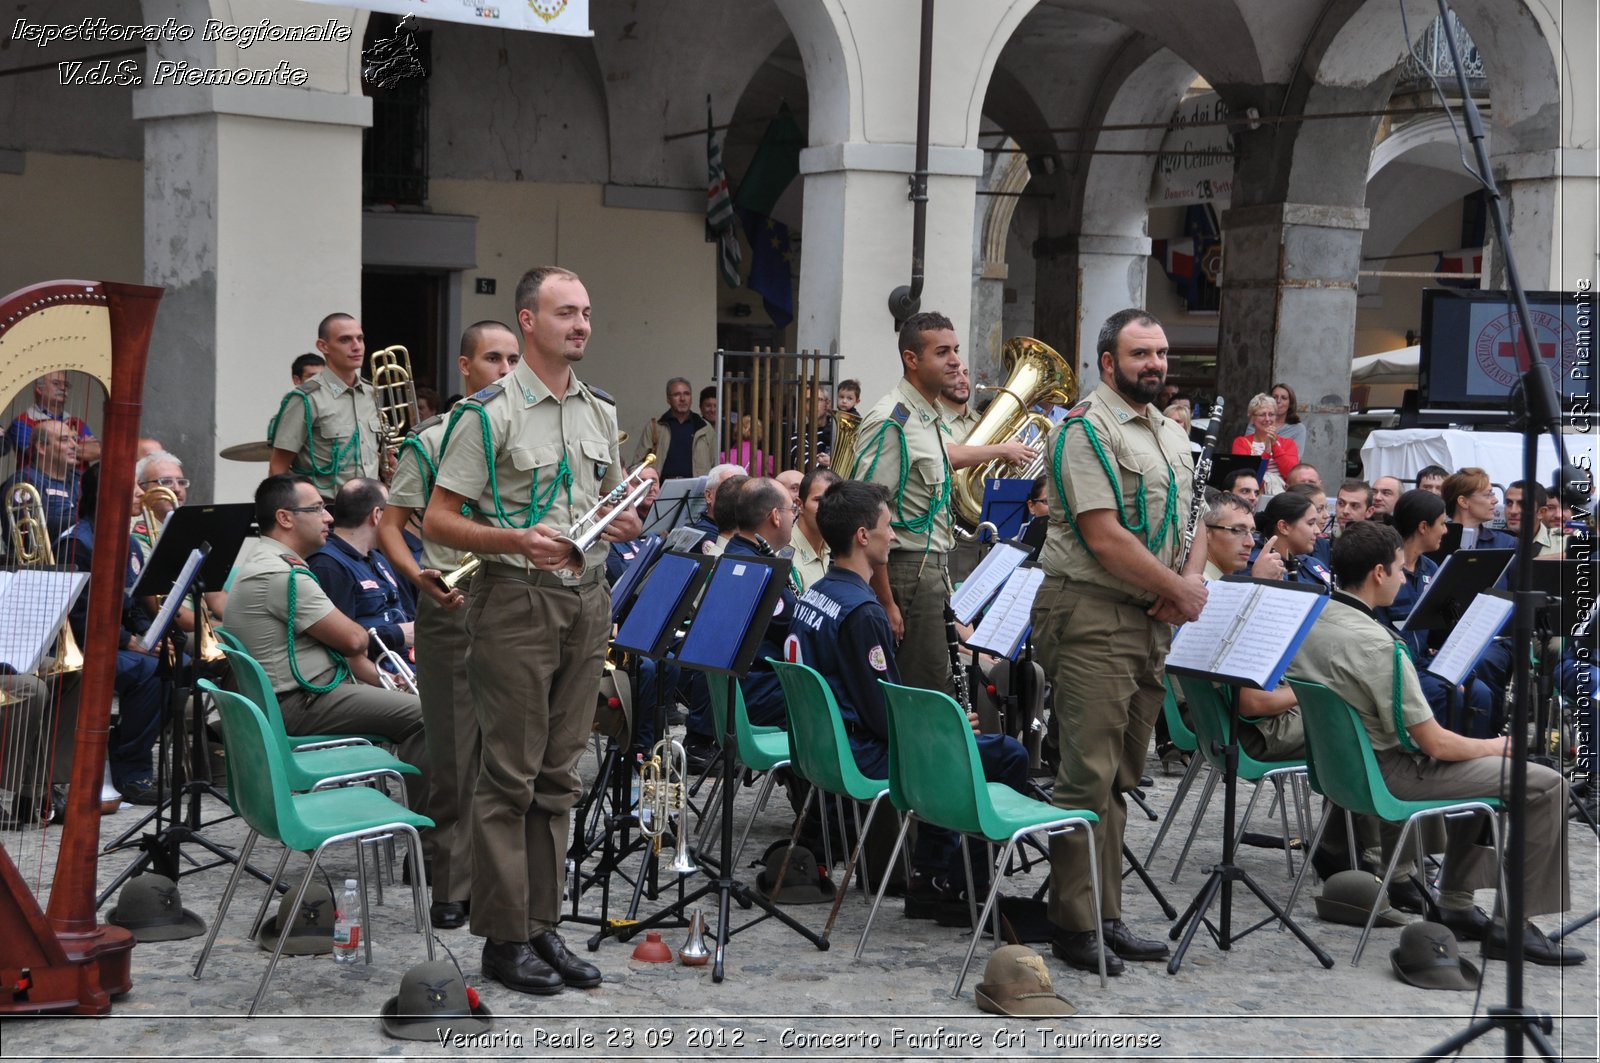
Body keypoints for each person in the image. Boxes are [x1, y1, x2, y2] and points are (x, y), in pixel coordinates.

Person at [424, 265, 639, 996]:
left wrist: (624, 514)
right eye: (565, 313)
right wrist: (515, 540)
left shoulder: (599, 410)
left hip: (587, 597)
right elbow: (439, 520)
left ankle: (542, 925)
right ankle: (503, 936)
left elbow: (605, 500)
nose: (581, 324)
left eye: (585, 311)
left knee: (559, 774)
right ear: (526, 321)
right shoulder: (487, 414)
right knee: (508, 776)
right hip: (516, 599)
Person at [1286, 521, 1583, 966]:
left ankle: (1458, 905)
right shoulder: (1379, 644)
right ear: (1378, 574)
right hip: (1391, 775)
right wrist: (1500, 747)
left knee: (1484, 771)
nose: (1407, 578)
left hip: (1346, 773)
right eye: (1402, 570)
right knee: (1545, 783)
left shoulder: (1313, 622)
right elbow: (1436, 745)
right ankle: (1512, 926)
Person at [1030, 307, 1206, 976]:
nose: (1155, 364)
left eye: (1160, 352)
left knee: (1125, 772)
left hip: (1149, 614)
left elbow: (1193, 520)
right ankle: (1073, 924)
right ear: (1109, 362)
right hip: (1093, 613)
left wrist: (1182, 583)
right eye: (1140, 354)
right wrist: (1178, 588)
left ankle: (1106, 912)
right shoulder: (1086, 430)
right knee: (1088, 773)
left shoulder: (1169, 432)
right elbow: (1103, 536)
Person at [788, 480, 1030, 922]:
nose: (895, 535)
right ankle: (952, 885)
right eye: (887, 526)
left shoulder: (818, 592)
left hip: (823, 748)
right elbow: (886, 717)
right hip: (860, 753)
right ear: (863, 536)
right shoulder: (863, 612)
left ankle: (932, 871)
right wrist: (948, 728)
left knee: (958, 748)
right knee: (1007, 753)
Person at [376, 319, 521, 931]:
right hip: (454, 604)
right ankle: (450, 880)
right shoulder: (432, 440)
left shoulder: (530, 427)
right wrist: (418, 577)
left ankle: (507, 877)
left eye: (514, 358)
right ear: (466, 367)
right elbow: (391, 524)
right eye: (493, 358)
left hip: (520, 602)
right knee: (456, 754)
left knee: (512, 753)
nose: (507, 370)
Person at [848, 311, 1032, 696]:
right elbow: (868, 517)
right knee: (926, 691)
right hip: (905, 572)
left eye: (956, 350)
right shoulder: (892, 420)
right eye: (942, 352)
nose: (955, 361)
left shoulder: (929, 416)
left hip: (930, 569)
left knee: (939, 683)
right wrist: (885, 600)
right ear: (911, 360)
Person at [227, 474, 427, 806]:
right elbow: (352, 641)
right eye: (318, 508)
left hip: (302, 694)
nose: (329, 517)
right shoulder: (281, 574)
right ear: (285, 518)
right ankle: (433, 843)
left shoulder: (274, 563)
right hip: (298, 702)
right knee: (426, 717)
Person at [59, 462, 165, 806]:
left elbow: (132, 605)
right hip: (84, 646)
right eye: (133, 488)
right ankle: (131, 770)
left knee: (181, 663)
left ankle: (128, 752)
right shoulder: (78, 543)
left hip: (116, 643)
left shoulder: (130, 543)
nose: (140, 493)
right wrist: (131, 642)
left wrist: (151, 636)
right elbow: (80, 618)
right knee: (150, 670)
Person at [1379, 490, 1502, 739]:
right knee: (1453, 695)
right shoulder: (1386, 569)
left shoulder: (1432, 568)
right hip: (1399, 668)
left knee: (1480, 692)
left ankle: (1477, 763)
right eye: (1442, 523)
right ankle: (1448, 762)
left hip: (1426, 663)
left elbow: (1439, 628)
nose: (1446, 531)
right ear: (1424, 527)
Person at [268, 313, 386, 498]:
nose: (356, 347)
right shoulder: (306, 398)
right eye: (345, 340)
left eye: (360, 339)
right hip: (325, 513)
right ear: (323, 346)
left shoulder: (372, 394)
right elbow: (278, 467)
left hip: (371, 510)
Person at [307, 478, 417, 670]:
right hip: (384, 675)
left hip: (410, 662)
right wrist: (398, 633)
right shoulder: (328, 566)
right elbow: (340, 645)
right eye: (392, 513)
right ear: (376, 515)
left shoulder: (379, 557)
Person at [5, 419, 82, 547]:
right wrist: (89, 520)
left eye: (74, 439)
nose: (75, 445)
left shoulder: (80, 479)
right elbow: (30, 534)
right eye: (64, 440)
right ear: (41, 447)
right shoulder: (24, 482)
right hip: (40, 565)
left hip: (79, 560)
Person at [5, 371, 101, 466]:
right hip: (36, 481)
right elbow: (38, 454)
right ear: (39, 388)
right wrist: (80, 448)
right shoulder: (21, 422)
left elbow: (98, 451)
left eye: (66, 385)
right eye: (56, 383)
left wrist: (57, 449)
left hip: (79, 481)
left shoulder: (76, 422)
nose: (63, 388)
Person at [635, 377, 714, 481]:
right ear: (668, 399)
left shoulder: (704, 427)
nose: (682, 399)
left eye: (686, 394)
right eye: (677, 394)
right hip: (661, 487)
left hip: (695, 489)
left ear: (691, 398)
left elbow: (713, 463)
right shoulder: (655, 426)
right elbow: (639, 463)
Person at [661, 462, 743, 555]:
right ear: (709, 496)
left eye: (742, 490)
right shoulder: (703, 534)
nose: (738, 497)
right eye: (727, 489)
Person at [1257, 489, 1331, 591]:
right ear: (1284, 527)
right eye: (1310, 523)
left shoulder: (1313, 562)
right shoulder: (1259, 567)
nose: (1317, 531)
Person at [1231, 393, 1298, 494]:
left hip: (1283, 496)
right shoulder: (1241, 442)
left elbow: (1292, 475)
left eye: (1271, 414)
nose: (1267, 419)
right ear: (1252, 419)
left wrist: (1275, 446)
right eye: (1262, 414)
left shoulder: (1288, 443)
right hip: (1254, 495)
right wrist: (1267, 452)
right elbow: (1245, 476)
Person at [789, 467, 839, 594]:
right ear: (800, 505)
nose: (828, 507)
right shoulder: (785, 556)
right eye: (819, 500)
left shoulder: (841, 550)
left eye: (834, 501)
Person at [1441, 467, 1515, 552]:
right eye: (1488, 494)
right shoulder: (1436, 540)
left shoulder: (1506, 543)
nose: (1495, 500)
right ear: (1463, 502)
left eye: (1492, 494)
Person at [1502, 479, 1556, 554]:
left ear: (1541, 512)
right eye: (1509, 503)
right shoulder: (1494, 542)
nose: (1513, 511)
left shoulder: (1562, 543)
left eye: (1523, 505)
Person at [939, 358, 981, 443]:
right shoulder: (934, 421)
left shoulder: (981, 419)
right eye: (954, 374)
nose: (964, 380)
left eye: (965, 373)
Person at [1269, 382, 1306, 449]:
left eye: (1284, 398)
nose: (1278, 401)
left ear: (1290, 403)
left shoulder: (1298, 429)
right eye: (1275, 397)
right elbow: (1248, 454)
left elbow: (1295, 457)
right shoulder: (1256, 423)